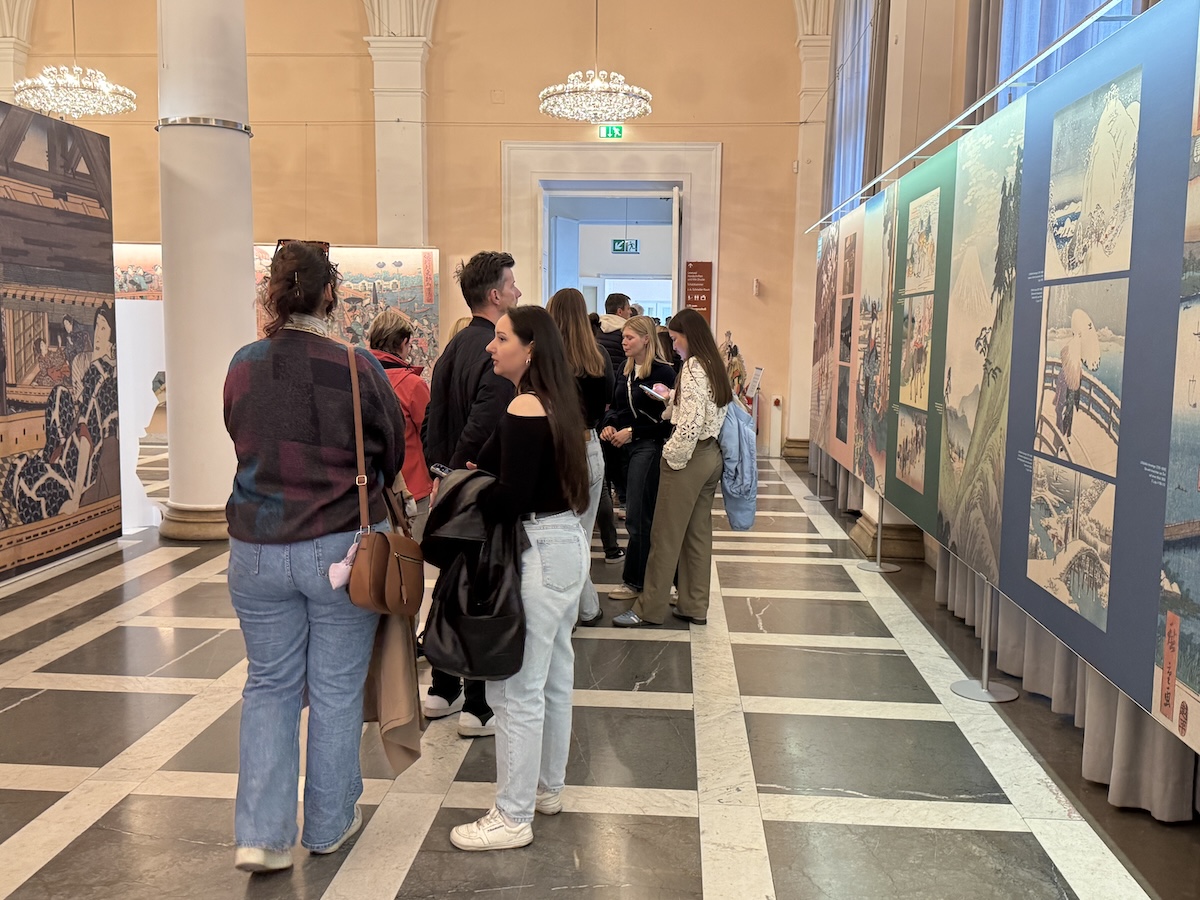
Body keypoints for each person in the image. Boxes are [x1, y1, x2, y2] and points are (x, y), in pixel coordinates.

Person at [223, 240, 406, 872]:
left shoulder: (243, 364)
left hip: (255, 544)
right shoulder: (357, 366)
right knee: (334, 688)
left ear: (273, 293)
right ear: (330, 293)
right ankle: (328, 825)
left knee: (268, 684)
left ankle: (261, 837)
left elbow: (238, 434)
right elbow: (389, 448)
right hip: (339, 545)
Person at [449, 305, 590, 852]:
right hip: (565, 542)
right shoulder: (553, 401)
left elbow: (508, 494)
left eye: (502, 338)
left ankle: (512, 816)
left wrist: (470, 500)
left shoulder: (525, 405)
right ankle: (547, 789)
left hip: (537, 548)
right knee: (552, 678)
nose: (491, 345)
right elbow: (491, 464)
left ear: (530, 349)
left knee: (514, 690)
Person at [423, 250, 520, 736]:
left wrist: (440, 471)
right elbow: (486, 423)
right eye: (512, 284)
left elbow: (432, 416)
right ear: (495, 295)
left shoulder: (453, 346)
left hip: (452, 484)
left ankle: (443, 686)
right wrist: (463, 472)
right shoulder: (492, 349)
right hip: (478, 486)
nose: (518, 291)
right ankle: (477, 704)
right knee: (480, 590)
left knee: (452, 582)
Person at [614, 308, 732, 628]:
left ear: (689, 336)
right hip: (711, 455)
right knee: (697, 535)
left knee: (664, 535)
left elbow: (691, 422)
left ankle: (648, 608)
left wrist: (671, 455)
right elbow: (708, 410)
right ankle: (694, 604)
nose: (674, 345)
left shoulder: (692, 366)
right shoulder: (713, 364)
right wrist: (671, 401)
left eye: (676, 338)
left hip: (689, 457)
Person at [546, 288, 614, 626]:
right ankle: (585, 608)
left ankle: (574, 611)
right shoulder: (599, 356)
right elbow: (607, 401)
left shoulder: (545, 357)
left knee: (559, 536)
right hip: (589, 445)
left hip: (556, 447)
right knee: (582, 536)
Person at [600, 316, 676, 604]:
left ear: (646, 339)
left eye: (629, 337)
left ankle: (635, 581)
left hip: (648, 447)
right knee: (642, 515)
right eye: (623, 337)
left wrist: (634, 432)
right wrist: (609, 424)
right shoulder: (625, 368)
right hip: (625, 449)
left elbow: (668, 421)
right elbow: (616, 407)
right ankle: (653, 579)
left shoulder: (663, 372)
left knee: (638, 516)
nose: (623, 342)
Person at [368, 307, 433, 540]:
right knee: (412, 556)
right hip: (413, 489)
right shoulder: (413, 385)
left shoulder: (358, 378)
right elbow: (429, 436)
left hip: (371, 489)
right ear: (404, 343)